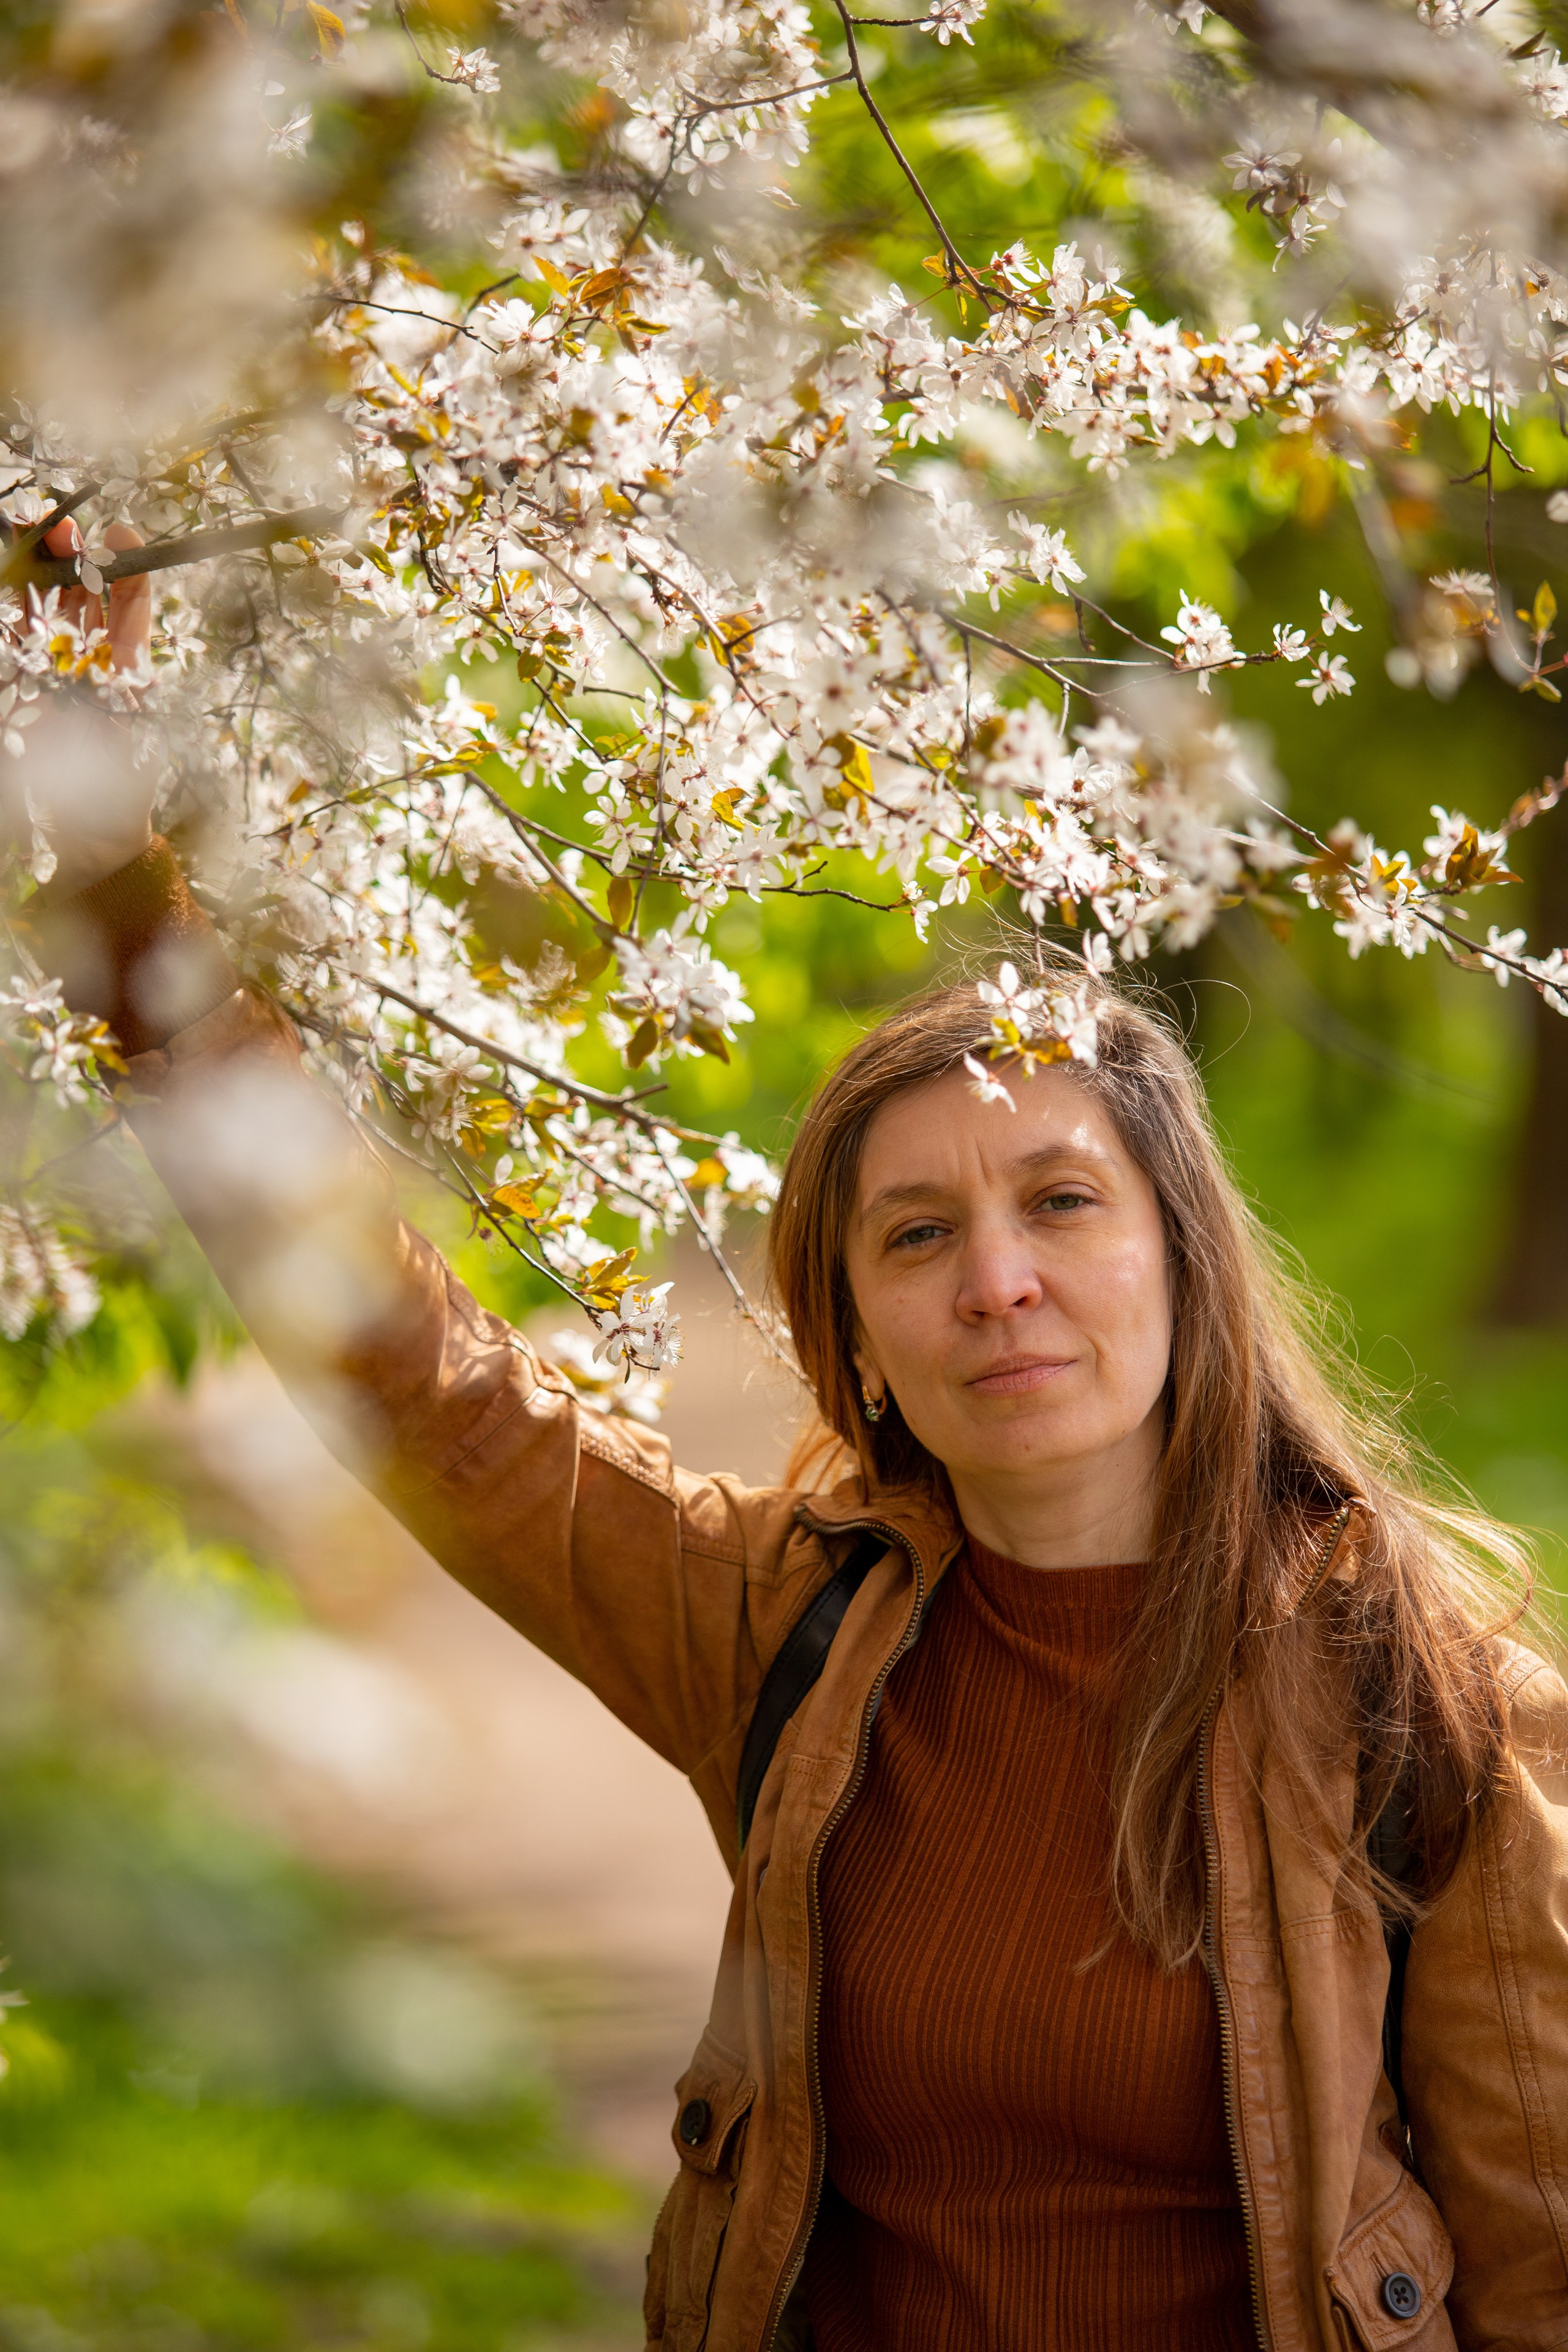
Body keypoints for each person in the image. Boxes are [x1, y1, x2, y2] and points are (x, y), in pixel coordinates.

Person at [15, 522, 1568, 2352]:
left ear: (1184, 1259)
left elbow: (1542, 2270)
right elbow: (418, 1384)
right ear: (858, 1332)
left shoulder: (1429, 1703)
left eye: (1059, 1203)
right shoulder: (788, 1631)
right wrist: (112, 849)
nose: (997, 1282)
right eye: (918, 1234)